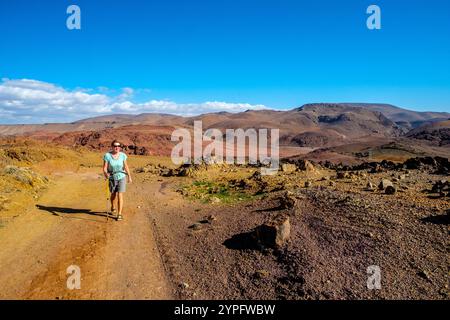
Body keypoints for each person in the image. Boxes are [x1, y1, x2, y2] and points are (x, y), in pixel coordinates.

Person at [103, 140, 132, 221]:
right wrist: (105, 173)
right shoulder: (107, 155)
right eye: (115, 146)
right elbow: (105, 167)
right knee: (113, 194)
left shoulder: (123, 155)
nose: (117, 147)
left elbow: (126, 166)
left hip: (122, 176)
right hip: (112, 177)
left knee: (120, 194)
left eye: (118, 146)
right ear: (112, 146)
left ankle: (119, 214)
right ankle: (112, 206)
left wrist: (129, 176)